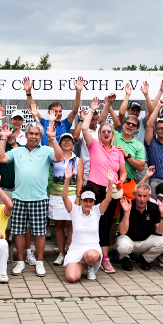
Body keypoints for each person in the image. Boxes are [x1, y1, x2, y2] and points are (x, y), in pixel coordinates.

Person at [0, 119, 59, 277]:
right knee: (19, 232)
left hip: (39, 199)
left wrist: (52, 138)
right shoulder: (17, 151)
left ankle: (40, 262)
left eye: (37, 134)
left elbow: (59, 158)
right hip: (19, 198)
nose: (34, 136)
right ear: (25, 134)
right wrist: (3, 137)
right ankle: (21, 262)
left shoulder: (46, 150)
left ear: (40, 136)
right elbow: (0, 158)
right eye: (31, 133)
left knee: (39, 233)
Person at [78, 98, 128, 274]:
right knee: (90, 221)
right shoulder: (94, 145)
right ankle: (86, 255)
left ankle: (105, 258)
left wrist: (121, 180)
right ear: (100, 134)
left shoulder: (118, 151)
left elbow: (123, 171)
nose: (106, 133)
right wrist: (92, 110)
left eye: (109, 131)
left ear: (112, 134)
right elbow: (84, 128)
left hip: (111, 190)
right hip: (94, 188)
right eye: (103, 131)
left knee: (106, 223)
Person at [60, 166, 115, 282]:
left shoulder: (97, 210)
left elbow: (108, 198)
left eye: (91, 201)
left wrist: (110, 182)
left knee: (92, 256)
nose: (88, 203)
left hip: (92, 249)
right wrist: (67, 180)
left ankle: (90, 266)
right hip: (76, 249)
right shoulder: (74, 210)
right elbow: (64, 197)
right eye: (85, 200)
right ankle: (82, 265)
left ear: (94, 202)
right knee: (71, 278)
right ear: (81, 200)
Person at [115, 184, 163, 271]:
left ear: (149, 196)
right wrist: (127, 213)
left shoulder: (154, 207)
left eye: (145, 196)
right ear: (134, 194)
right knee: (123, 245)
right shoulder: (127, 206)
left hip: (145, 241)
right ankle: (125, 258)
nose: (142, 199)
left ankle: (145, 259)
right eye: (139, 195)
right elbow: (122, 232)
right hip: (129, 240)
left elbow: (161, 231)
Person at [47, 133, 83, 266]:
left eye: (69, 141)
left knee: (71, 225)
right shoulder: (55, 158)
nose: (67, 142)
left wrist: (78, 197)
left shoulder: (77, 160)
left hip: (72, 196)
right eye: (64, 140)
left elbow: (80, 180)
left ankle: (71, 253)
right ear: (60, 143)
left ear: (73, 144)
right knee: (59, 226)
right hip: (56, 196)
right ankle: (61, 253)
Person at [24, 76, 82, 144]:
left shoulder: (65, 124)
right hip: (46, 154)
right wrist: (28, 92)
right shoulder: (44, 123)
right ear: (49, 113)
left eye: (60, 111)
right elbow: (33, 108)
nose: (58, 114)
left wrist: (78, 91)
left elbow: (75, 110)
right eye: (55, 111)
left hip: (61, 154)